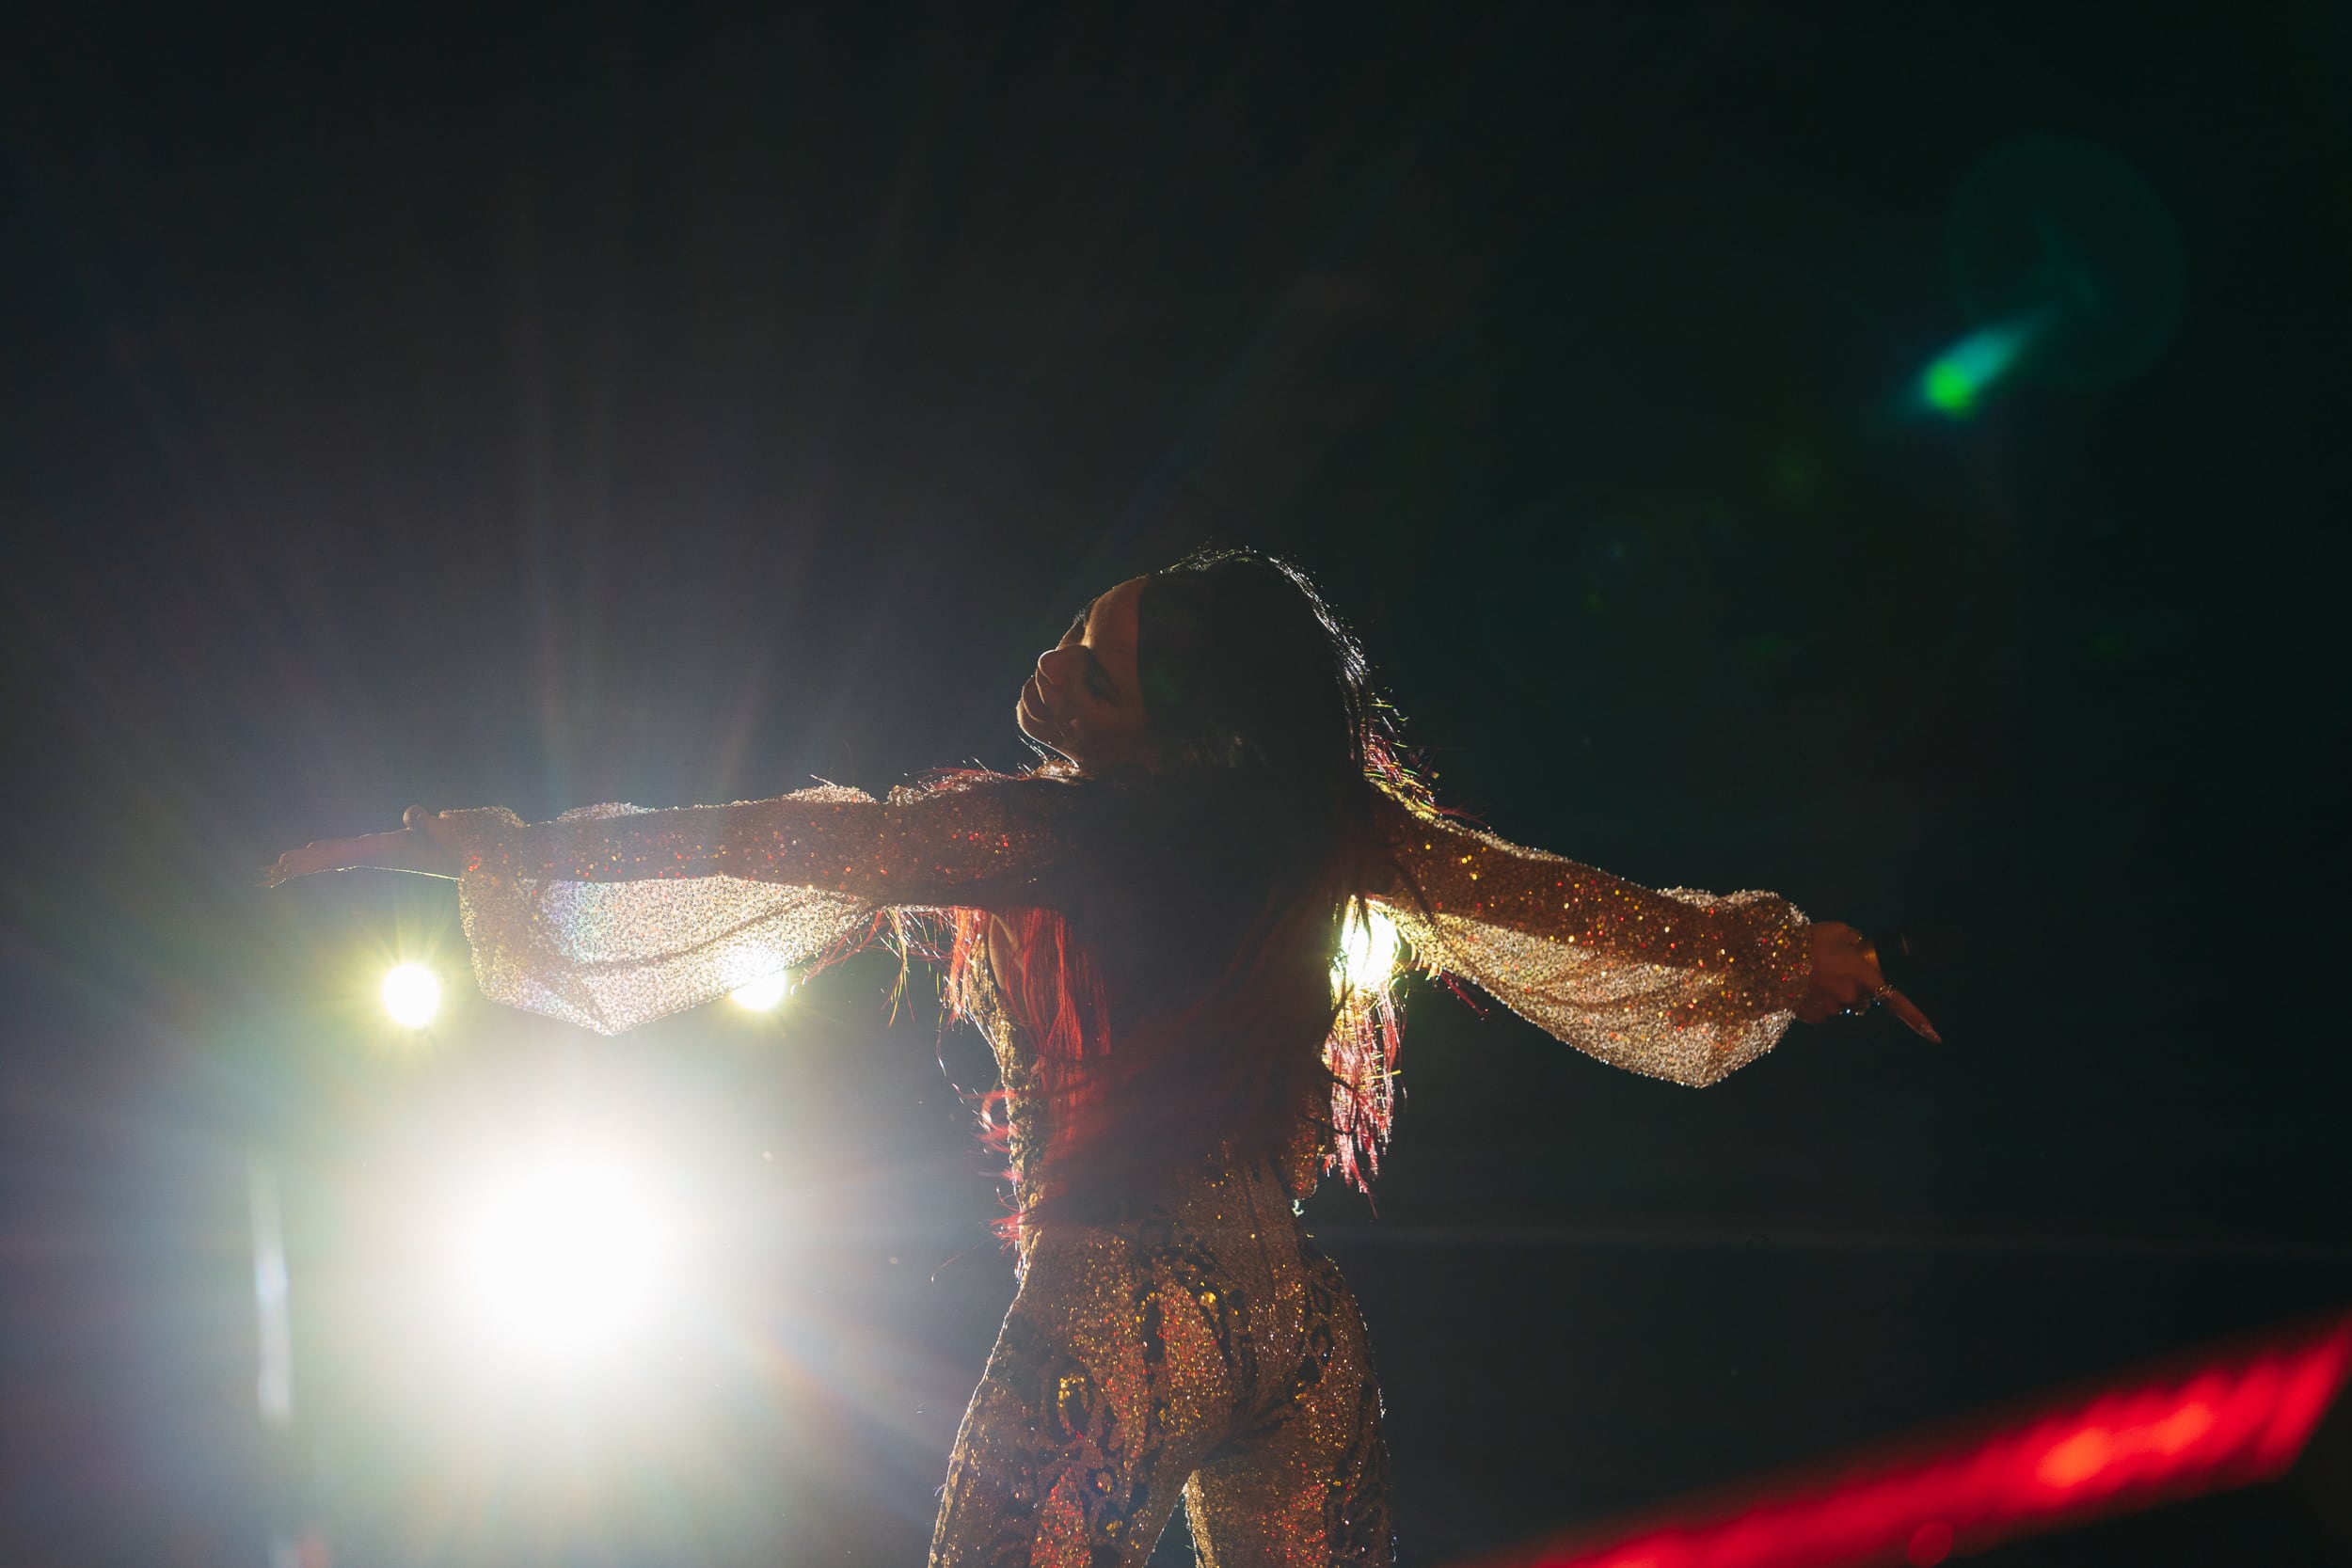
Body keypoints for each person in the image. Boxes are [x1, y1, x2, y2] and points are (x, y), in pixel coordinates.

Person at [270, 548, 1934, 1567]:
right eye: (1076, 627)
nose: (1056, 659)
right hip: (1298, 1325)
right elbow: (1561, 904)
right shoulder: (1325, 833)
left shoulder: (1044, 836)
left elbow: (785, 842)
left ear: (1155, 725)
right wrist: (1789, 957)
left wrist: (506, 852)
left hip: (1126, 1307)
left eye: (1099, 659)